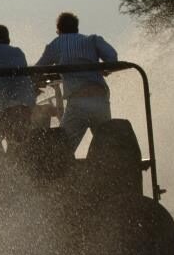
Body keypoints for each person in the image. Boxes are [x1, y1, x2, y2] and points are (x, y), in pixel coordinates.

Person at [36, 11, 118, 152]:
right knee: (107, 149)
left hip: (78, 103)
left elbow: (38, 69)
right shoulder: (92, 40)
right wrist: (104, 69)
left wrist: (38, 81)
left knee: (62, 150)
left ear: (58, 30)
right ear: (77, 28)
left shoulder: (56, 44)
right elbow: (113, 58)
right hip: (100, 100)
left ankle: (64, 172)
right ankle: (109, 171)